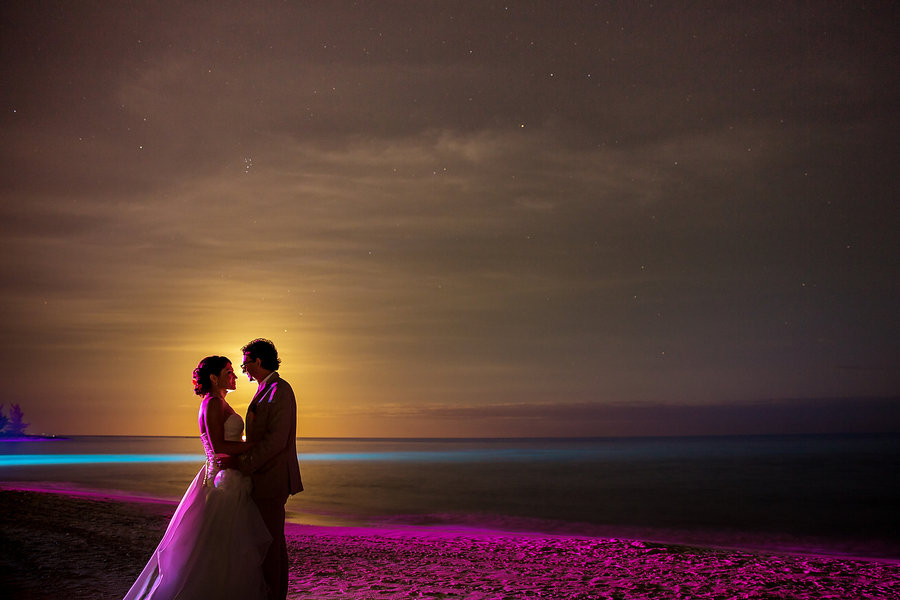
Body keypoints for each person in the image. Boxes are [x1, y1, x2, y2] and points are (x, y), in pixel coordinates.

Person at [122, 356, 271, 600]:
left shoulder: (220, 402)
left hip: (228, 477)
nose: (234, 376)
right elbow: (218, 446)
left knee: (223, 550)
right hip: (220, 484)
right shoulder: (212, 403)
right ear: (214, 378)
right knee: (216, 549)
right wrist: (256, 444)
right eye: (228, 372)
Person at [238, 338, 303, 600]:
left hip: (272, 479)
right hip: (264, 478)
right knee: (270, 543)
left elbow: (276, 440)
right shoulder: (266, 388)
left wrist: (244, 466)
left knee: (271, 545)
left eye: (245, 365)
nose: (243, 371)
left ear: (259, 361)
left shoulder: (280, 390)